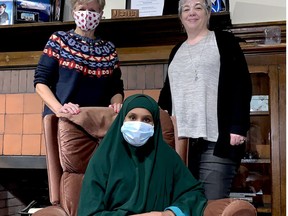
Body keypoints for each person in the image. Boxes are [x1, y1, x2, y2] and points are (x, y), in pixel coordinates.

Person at [158, 0, 252, 200]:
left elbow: (241, 84)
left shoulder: (224, 41)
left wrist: (237, 127)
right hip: (181, 142)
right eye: (186, 9)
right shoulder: (177, 50)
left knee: (212, 203)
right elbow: (167, 94)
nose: (192, 12)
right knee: (185, 203)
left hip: (216, 139)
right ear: (181, 17)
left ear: (208, 13)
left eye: (198, 7)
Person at [78, 94, 207, 216]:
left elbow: (193, 193)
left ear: (154, 125)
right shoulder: (103, 159)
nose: (138, 125)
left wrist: (170, 213)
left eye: (146, 120)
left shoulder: (167, 157)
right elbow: (89, 212)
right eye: (132, 117)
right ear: (122, 120)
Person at [34, 0, 124, 116]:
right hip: (64, 120)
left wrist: (116, 105)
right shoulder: (59, 40)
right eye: (81, 9)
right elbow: (41, 82)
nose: (86, 14)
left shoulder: (109, 49)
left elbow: (116, 87)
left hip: (98, 121)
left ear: (100, 15)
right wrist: (59, 109)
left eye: (92, 10)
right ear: (73, 12)